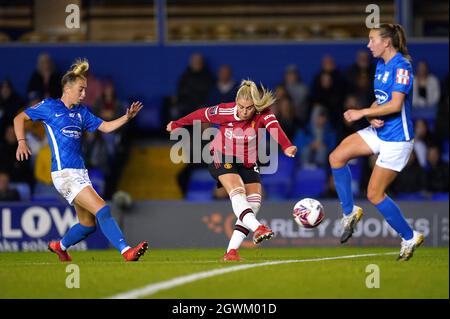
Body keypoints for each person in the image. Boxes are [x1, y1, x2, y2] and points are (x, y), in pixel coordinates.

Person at [13, 58, 148, 262]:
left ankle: (60, 246)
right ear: (67, 89)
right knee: (102, 208)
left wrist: (126, 117)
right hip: (64, 173)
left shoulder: (82, 112)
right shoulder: (49, 107)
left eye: (85, 89)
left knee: (88, 225)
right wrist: (22, 142)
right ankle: (125, 250)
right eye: (81, 89)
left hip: (80, 173)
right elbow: (18, 118)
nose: (85, 94)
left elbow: (106, 127)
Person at [166, 79, 297, 261]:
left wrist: (287, 146)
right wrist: (178, 124)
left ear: (256, 105)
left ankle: (231, 252)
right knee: (237, 190)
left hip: (248, 161)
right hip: (222, 155)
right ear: (236, 102)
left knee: (255, 203)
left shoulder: (263, 114)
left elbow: (275, 128)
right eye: (241, 107)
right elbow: (201, 114)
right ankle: (258, 228)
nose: (244, 111)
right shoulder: (224, 110)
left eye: (249, 108)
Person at [328, 24, 424, 261]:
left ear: (386, 42)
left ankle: (410, 236)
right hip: (379, 131)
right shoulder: (381, 65)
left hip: (397, 140)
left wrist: (361, 113)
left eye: (372, 40)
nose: (368, 45)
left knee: (374, 194)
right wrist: (371, 112)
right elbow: (381, 101)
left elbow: (395, 105)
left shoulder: (402, 66)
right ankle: (350, 213)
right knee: (336, 157)